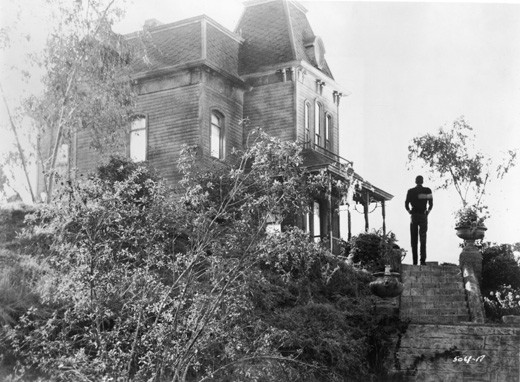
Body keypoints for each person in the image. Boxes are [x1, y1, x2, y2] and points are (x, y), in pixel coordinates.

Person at [405, 175, 433, 265]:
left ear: (415, 181)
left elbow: (406, 204)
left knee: (414, 238)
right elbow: (431, 204)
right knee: (423, 238)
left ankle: (414, 261)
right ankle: (422, 260)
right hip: (423, 215)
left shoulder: (410, 191)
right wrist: (427, 212)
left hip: (414, 215)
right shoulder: (427, 190)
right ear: (422, 181)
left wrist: (410, 211)